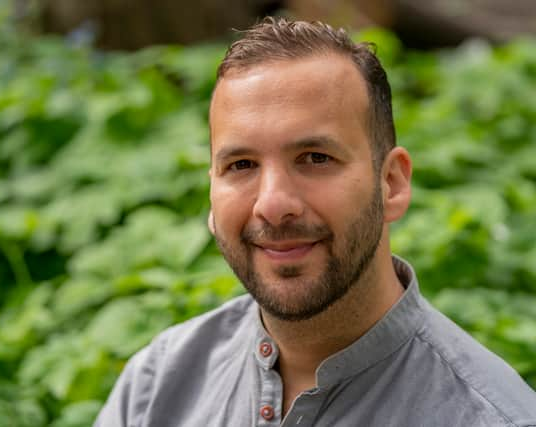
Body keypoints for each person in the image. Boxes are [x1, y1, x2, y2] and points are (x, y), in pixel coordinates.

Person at [94, 17, 536, 426]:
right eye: (242, 165)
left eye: (315, 158)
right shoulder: (157, 386)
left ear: (392, 184)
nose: (272, 204)